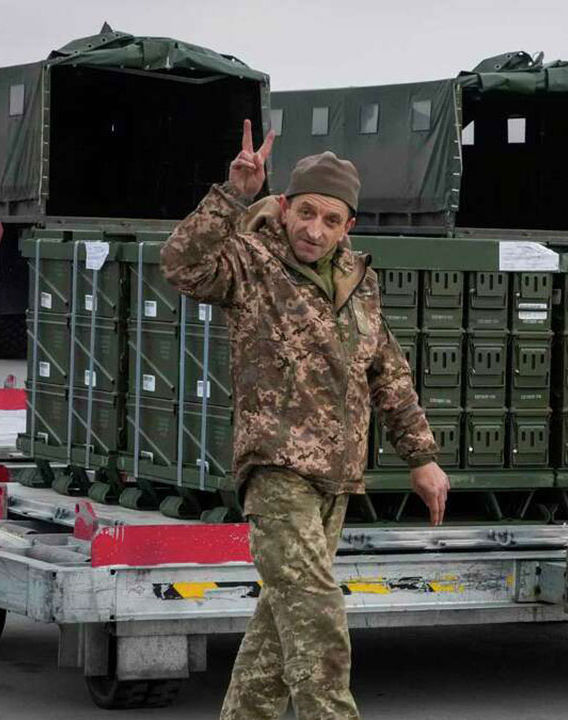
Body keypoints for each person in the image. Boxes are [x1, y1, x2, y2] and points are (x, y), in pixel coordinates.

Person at [161, 120, 451, 720]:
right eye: (307, 214)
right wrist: (232, 194)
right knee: (317, 619)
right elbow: (182, 267)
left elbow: (387, 371)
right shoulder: (251, 265)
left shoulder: (358, 283)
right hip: (276, 474)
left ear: (350, 226)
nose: (314, 231)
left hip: (336, 481)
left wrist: (420, 457)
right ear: (287, 208)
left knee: (275, 634)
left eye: (331, 220)